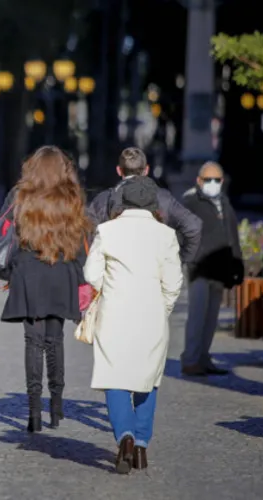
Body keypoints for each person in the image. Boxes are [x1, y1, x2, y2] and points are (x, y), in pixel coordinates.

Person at [83, 177, 184, 475]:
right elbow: (174, 282)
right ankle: (141, 445)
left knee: (114, 376)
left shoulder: (107, 231)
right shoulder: (165, 235)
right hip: (152, 314)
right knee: (148, 377)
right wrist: (162, 306)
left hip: (115, 313)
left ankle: (124, 436)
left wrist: (110, 288)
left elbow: (90, 273)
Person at [0, 146, 92, 433]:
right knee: (55, 339)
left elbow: (8, 237)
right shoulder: (72, 197)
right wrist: (82, 279)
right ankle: (57, 406)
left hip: (29, 271)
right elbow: (79, 240)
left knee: (33, 341)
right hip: (62, 271)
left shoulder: (21, 196)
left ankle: (34, 411)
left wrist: (11, 272)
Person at [179, 161, 244, 376]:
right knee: (197, 316)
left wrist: (237, 264)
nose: (213, 183)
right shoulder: (191, 201)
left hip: (220, 268)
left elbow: (231, 235)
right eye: (208, 180)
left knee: (211, 318)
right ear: (199, 181)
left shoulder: (223, 202)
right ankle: (190, 359)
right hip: (199, 268)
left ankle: (203, 357)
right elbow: (181, 232)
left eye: (217, 179)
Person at [87, 147, 202, 264]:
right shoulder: (163, 199)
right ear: (146, 170)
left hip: (115, 275)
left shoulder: (102, 201)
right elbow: (193, 226)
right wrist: (180, 260)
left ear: (119, 170)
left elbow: (88, 237)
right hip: (154, 275)